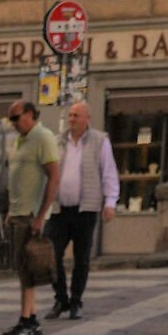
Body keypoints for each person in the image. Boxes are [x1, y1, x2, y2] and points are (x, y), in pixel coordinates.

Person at [50, 100, 119, 320]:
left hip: (86, 209)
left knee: (82, 258)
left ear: (87, 118)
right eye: (70, 115)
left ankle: (76, 301)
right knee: (52, 255)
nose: (71, 119)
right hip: (59, 209)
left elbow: (109, 173)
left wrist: (110, 203)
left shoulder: (100, 141)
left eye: (76, 115)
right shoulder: (58, 141)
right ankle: (61, 299)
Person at [0, 98, 60, 335]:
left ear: (29, 114)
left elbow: (53, 176)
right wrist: (10, 211)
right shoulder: (20, 141)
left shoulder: (43, 137)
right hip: (17, 212)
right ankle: (31, 318)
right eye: (10, 119)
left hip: (30, 214)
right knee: (22, 267)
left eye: (16, 117)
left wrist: (40, 215)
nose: (13, 123)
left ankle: (26, 320)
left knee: (27, 268)